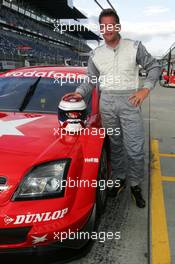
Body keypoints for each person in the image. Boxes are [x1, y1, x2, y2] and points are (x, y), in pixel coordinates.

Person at [63, 8, 161, 208]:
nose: (107, 29)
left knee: (135, 149)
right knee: (115, 146)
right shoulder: (96, 54)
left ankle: (135, 185)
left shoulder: (134, 47)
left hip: (130, 102)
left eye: (110, 25)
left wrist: (145, 90)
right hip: (107, 103)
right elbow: (90, 80)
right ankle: (119, 180)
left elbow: (155, 67)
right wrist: (80, 93)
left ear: (117, 26)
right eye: (102, 26)